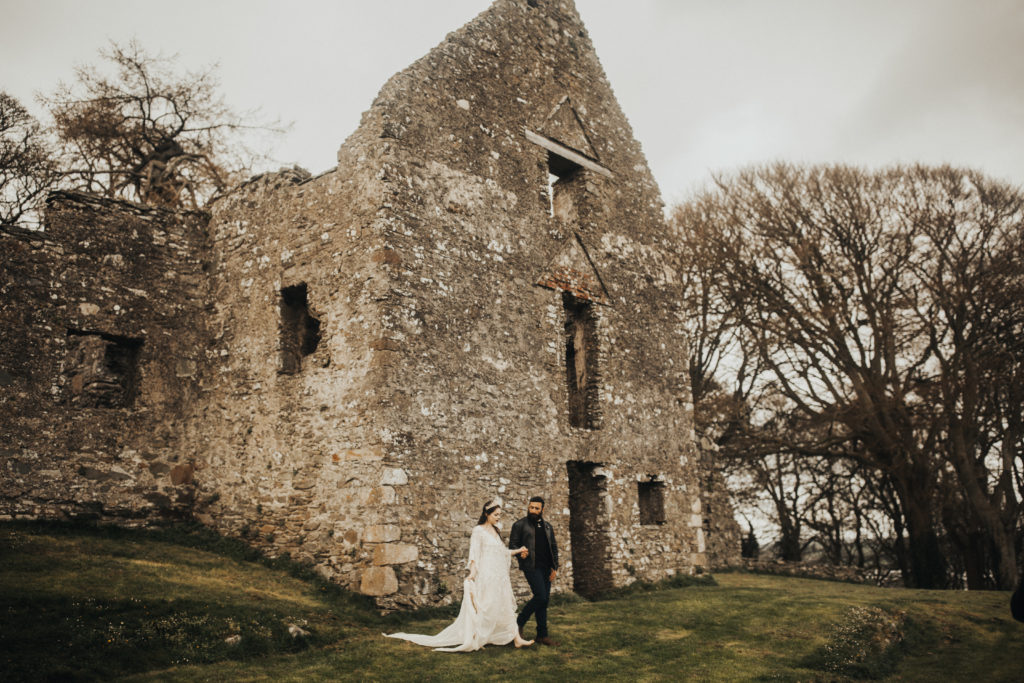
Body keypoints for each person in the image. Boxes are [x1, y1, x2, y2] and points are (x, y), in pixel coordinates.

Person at [385, 499, 534, 651]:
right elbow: (474, 554)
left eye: (499, 515)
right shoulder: (478, 531)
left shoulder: (495, 531)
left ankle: (517, 639)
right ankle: (477, 637)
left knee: (505, 605)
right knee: (486, 606)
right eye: (495, 514)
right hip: (487, 574)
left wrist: (518, 550)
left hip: (499, 575)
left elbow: (501, 552)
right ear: (486, 514)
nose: (498, 517)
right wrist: (473, 573)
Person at [509, 495, 559, 646]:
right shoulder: (519, 525)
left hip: (547, 568)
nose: (533, 510)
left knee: (544, 602)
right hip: (531, 566)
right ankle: (519, 622)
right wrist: (520, 552)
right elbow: (512, 545)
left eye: (537, 508)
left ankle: (542, 635)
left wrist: (555, 567)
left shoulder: (548, 527)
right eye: (531, 507)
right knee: (541, 597)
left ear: (542, 509)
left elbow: (554, 548)